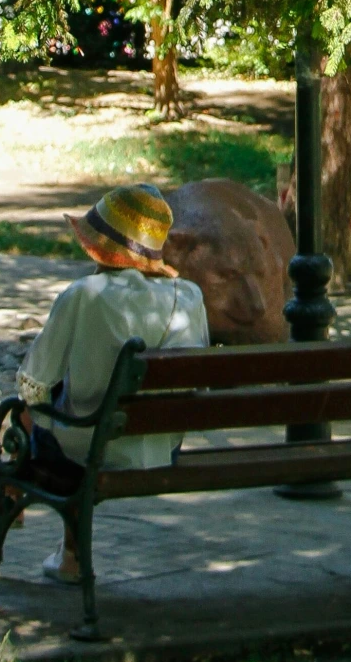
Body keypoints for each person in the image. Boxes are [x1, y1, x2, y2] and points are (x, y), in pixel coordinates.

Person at [15, 183, 208, 583]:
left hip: (91, 444)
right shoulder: (188, 295)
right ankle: (41, 529)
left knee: (32, 415)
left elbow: (34, 382)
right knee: (73, 411)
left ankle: (15, 500)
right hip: (160, 445)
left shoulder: (85, 294)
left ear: (97, 247)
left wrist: (28, 406)